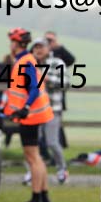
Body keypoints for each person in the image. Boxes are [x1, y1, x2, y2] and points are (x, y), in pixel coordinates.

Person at [3, 28, 54, 202]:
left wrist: (25, 107)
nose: (10, 45)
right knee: (36, 156)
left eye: (12, 42)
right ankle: (44, 196)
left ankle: (36, 197)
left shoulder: (25, 62)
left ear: (16, 44)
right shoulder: (25, 60)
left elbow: (33, 87)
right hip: (32, 114)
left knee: (32, 157)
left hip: (30, 116)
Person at [31, 37, 70, 184]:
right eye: (36, 47)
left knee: (52, 142)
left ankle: (62, 169)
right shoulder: (31, 65)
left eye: (41, 47)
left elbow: (65, 83)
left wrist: (47, 79)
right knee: (32, 144)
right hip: (35, 110)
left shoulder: (57, 63)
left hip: (52, 109)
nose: (39, 50)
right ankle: (33, 172)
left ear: (48, 49)